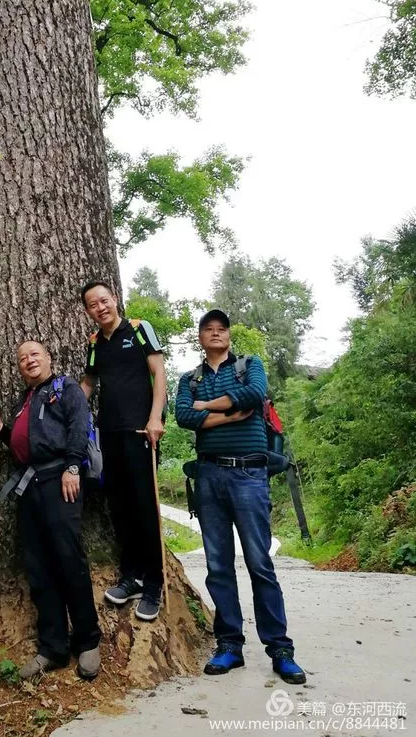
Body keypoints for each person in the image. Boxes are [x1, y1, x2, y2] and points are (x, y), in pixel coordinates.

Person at [174, 310, 306, 685]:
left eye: (221, 329)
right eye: (208, 329)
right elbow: (183, 415)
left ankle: (280, 649)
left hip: (250, 474)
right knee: (218, 566)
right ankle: (229, 645)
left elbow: (254, 394)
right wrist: (230, 417)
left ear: (228, 336)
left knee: (259, 563)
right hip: (209, 475)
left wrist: (206, 407)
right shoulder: (190, 379)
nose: (215, 334)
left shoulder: (250, 366)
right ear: (200, 337)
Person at [0, 340, 101, 680]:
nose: (28, 361)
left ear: (48, 358)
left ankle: (88, 640)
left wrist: (73, 467)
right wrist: (1, 427)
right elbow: (25, 442)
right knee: (38, 567)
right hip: (29, 487)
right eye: (22, 358)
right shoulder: (25, 400)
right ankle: (53, 648)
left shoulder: (66, 388)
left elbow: (79, 425)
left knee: (68, 558)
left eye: (35, 355)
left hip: (60, 478)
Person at [80, 280, 167, 621]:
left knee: (145, 508)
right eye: (93, 305)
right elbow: (89, 382)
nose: (100, 308)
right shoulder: (94, 344)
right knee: (120, 508)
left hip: (142, 432)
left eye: (104, 300)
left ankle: (154, 584)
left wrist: (155, 417)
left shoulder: (139, 329)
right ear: (88, 312)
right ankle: (131, 577)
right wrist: (69, 406)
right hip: (110, 435)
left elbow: (158, 371)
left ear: (114, 299)